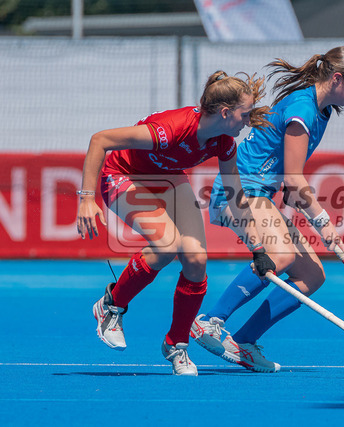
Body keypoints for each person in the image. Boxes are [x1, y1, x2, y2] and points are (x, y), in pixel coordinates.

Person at [76, 71, 276, 376]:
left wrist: (258, 248)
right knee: (166, 245)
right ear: (225, 113)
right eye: (244, 114)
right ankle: (111, 306)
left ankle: (176, 344)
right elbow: (100, 140)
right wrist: (87, 198)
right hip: (123, 174)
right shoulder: (170, 130)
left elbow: (236, 196)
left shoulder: (224, 143)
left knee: (196, 260)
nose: (248, 121)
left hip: (167, 177)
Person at [190, 46, 344, 373]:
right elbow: (294, 177)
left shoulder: (322, 110)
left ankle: (244, 341)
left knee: (311, 276)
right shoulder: (303, 108)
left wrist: (291, 191)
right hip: (238, 191)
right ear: (337, 78)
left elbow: (287, 174)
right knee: (280, 255)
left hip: (261, 193)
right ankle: (210, 321)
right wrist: (324, 223)